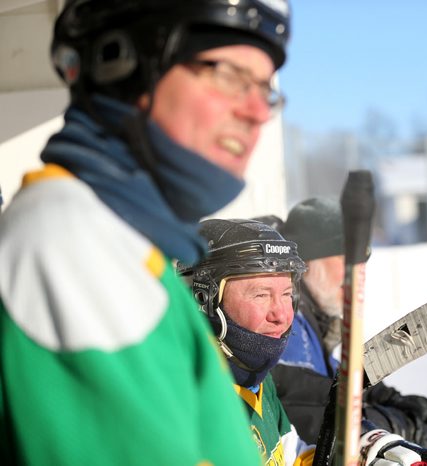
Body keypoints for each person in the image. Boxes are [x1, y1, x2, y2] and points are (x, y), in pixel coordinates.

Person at [0, 1, 292, 465]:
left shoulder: (134, 253)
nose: (258, 111)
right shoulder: (73, 248)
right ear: (124, 65)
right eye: (230, 76)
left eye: (265, 89)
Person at [178, 218, 427, 466]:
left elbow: (289, 452)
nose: (283, 315)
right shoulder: (186, 411)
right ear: (202, 302)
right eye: (261, 295)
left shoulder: (255, 378)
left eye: (286, 294)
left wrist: (355, 454)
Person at [272, 196, 427, 450]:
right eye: (346, 259)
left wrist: (383, 396)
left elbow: (323, 380)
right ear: (307, 263)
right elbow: (304, 412)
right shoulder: (285, 324)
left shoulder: (311, 322)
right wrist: (396, 423)